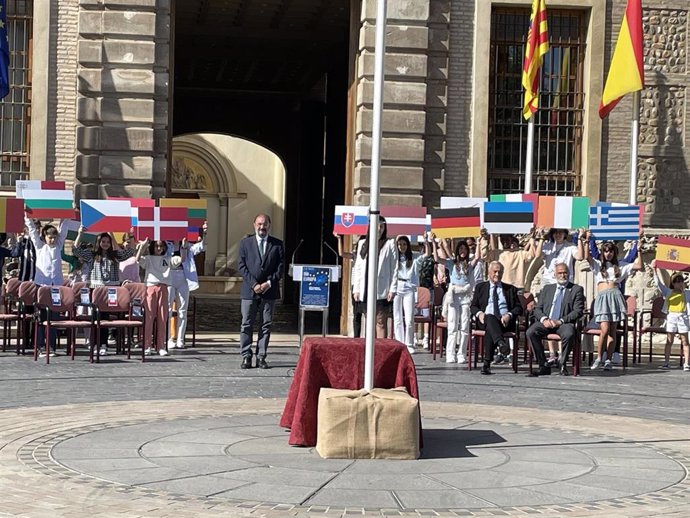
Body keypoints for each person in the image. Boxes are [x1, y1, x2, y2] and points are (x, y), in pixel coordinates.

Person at [74, 227, 135, 356]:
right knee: (96, 318)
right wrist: (80, 234)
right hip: (96, 289)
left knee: (105, 318)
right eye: (103, 241)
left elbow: (128, 252)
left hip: (110, 290)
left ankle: (103, 344)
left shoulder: (115, 255)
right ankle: (95, 343)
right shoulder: (92, 255)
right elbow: (76, 250)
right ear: (99, 242)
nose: (105, 244)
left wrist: (113, 235)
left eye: (107, 242)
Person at [584, 237, 642, 371]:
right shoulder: (598, 265)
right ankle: (599, 357)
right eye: (605, 251)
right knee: (604, 329)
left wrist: (639, 250)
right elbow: (587, 256)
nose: (608, 253)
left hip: (615, 296)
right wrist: (587, 240)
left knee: (612, 331)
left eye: (610, 251)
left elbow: (639, 266)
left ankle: (608, 359)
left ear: (614, 252)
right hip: (603, 298)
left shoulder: (621, 265)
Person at [238, 213, 285, 369]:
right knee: (246, 324)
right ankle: (246, 355)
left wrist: (268, 283)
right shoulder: (245, 243)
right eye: (259, 224)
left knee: (266, 324)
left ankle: (261, 356)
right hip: (249, 291)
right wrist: (254, 284)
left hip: (269, 291)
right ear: (254, 225)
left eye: (264, 224)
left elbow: (280, 268)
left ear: (269, 226)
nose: (261, 227)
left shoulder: (277, 245)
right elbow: (241, 266)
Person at [526, 262, 585, 376]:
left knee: (569, 334)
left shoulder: (576, 289)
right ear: (555, 274)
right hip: (547, 322)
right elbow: (538, 309)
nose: (563, 275)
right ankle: (543, 365)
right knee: (531, 332)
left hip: (563, 323)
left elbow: (578, 311)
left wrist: (560, 321)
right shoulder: (548, 289)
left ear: (569, 274)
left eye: (565, 273)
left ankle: (562, 363)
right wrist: (544, 319)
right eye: (560, 273)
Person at [24, 214, 69, 357]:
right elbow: (32, 231)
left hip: (55, 286)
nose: (53, 239)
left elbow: (64, 229)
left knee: (54, 317)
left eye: (55, 237)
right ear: (44, 237)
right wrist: (27, 217)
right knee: (41, 317)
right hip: (41, 286)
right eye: (50, 237)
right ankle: (41, 346)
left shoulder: (59, 246)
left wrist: (66, 215)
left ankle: (52, 346)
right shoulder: (39, 246)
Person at [434, 235, 481, 364]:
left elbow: (477, 257)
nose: (462, 251)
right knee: (452, 325)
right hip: (454, 296)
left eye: (464, 249)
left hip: (465, 296)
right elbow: (437, 259)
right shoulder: (452, 263)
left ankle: (462, 353)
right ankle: (450, 353)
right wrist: (433, 242)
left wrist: (479, 241)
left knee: (465, 326)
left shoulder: (469, 265)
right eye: (460, 248)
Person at [470, 261, 522, 375]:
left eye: (500, 272)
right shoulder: (481, 287)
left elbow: (519, 308)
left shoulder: (510, 289)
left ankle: (487, 364)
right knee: (490, 318)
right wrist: (479, 314)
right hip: (485, 320)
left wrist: (509, 315)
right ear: (489, 272)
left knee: (491, 329)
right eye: (495, 271)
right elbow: (473, 306)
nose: (497, 274)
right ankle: (500, 343)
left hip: (505, 323)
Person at [351, 217, 398, 339]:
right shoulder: (363, 243)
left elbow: (394, 268)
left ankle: (380, 350)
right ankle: (369, 352)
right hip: (366, 286)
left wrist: (393, 288)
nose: (379, 229)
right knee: (369, 321)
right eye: (377, 225)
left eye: (382, 226)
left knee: (380, 321)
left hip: (381, 287)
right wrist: (356, 289)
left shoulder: (390, 244)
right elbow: (358, 267)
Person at [136, 238, 181, 357]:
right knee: (149, 318)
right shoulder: (149, 259)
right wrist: (143, 246)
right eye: (156, 246)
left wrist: (180, 246)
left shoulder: (167, 258)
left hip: (164, 288)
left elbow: (179, 260)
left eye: (161, 246)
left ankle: (161, 346)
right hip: (150, 288)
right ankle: (147, 346)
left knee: (162, 318)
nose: (159, 248)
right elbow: (138, 259)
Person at [167, 222, 207, 350]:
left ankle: (180, 339)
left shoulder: (188, 246)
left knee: (182, 311)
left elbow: (202, 247)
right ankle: (168, 338)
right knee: (168, 310)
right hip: (169, 277)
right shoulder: (166, 246)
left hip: (184, 278)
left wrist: (205, 233)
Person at [392, 234, 430, 354]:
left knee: (409, 319)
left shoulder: (413, 257)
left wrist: (426, 241)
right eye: (399, 244)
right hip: (397, 287)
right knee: (397, 318)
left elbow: (427, 254)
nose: (402, 246)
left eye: (404, 244)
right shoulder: (394, 258)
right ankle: (399, 342)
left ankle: (409, 343)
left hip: (409, 288)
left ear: (407, 245)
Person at [651, 260, 690, 371]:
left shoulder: (687, 293)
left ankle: (686, 363)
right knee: (669, 340)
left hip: (683, 317)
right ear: (673, 283)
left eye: (681, 281)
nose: (679, 283)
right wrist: (655, 270)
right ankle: (666, 362)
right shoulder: (668, 292)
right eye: (677, 281)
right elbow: (658, 284)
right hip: (672, 317)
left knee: (685, 341)